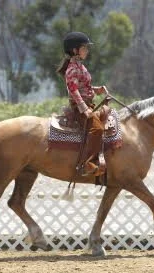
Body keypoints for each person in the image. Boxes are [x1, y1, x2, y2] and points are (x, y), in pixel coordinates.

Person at [56, 31, 107, 177]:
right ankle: (88, 164)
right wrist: (83, 108)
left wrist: (96, 90)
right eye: (84, 47)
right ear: (75, 50)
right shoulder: (72, 69)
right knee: (97, 129)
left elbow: (83, 86)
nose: (87, 50)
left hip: (88, 104)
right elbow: (73, 90)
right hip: (80, 107)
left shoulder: (80, 66)